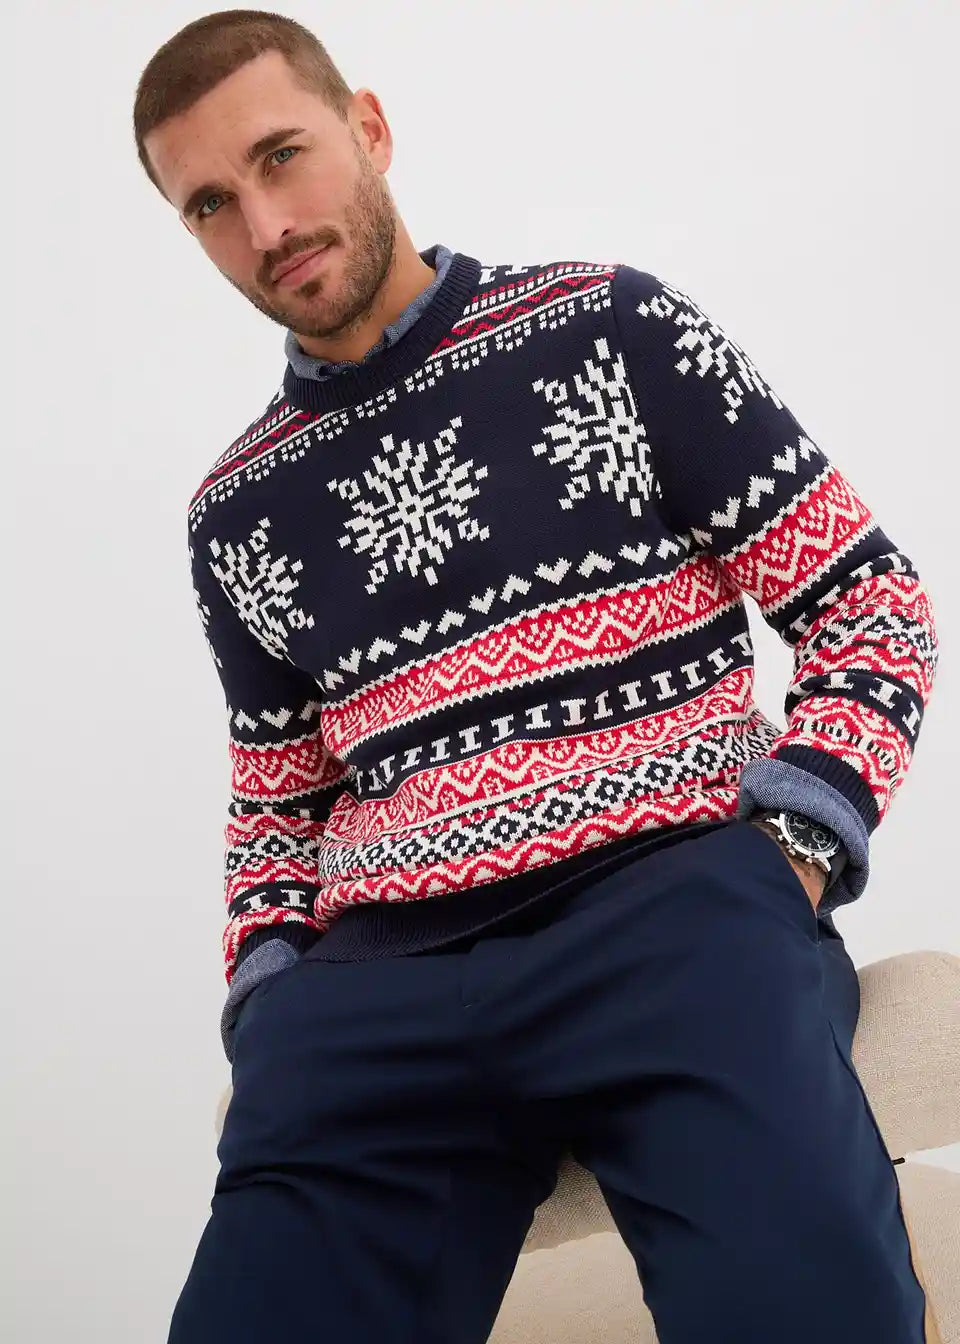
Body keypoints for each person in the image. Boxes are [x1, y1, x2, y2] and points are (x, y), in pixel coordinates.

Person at [134, 11, 940, 1342]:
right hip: (378, 997)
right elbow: (277, 797)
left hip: (674, 918)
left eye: (282, 157)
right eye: (211, 203)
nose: (265, 224)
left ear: (370, 129)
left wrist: (788, 851)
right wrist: (270, 995)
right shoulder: (237, 509)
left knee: (811, 1312)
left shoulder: (608, 328)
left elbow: (868, 600)